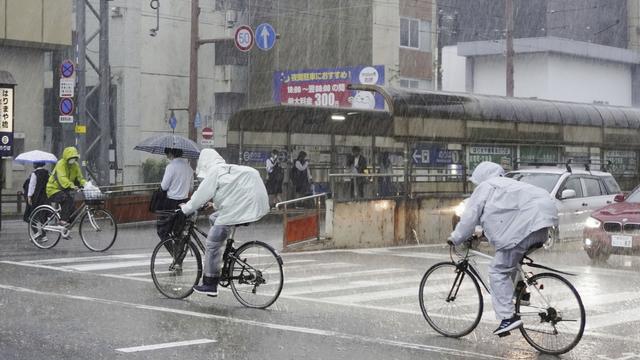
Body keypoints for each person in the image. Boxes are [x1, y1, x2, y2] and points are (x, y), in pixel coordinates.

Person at [448, 161, 558, 336]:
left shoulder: (486, 187)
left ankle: (508, 318)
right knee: (511, 260)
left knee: (497, 271)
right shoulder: (510, 185)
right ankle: (521, 292)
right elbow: (504, 215)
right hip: (542, 226)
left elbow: (469, 218)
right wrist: (482, 233)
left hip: (526, 227)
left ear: (482, 177)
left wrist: (455, 238)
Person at [179, 148, 269, 296]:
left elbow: (199, 195)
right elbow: (232, 193)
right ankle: (226, 252)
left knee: (212, 243)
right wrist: (214, 206)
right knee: (213, 217)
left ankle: (210, 284)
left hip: (240, 208)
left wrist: (185, 210)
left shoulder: (215, 171)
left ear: (204, 163)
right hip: (251, 204)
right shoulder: (226, 170)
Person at [156, 148, 194, 242]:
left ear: (171, 153)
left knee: (162, 231)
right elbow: (191, 188)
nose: (167, 156)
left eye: (167, 154)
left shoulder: (171, 167)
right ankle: (179, 249)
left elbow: (164, 187)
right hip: (184, 203)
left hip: (171, 203)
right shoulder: (189, 168)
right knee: (178, 230)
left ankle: (174, 252)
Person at [46, 146, 87, 226]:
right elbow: (62, 178)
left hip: (64, 189)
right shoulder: (60, 164)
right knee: (66, 199)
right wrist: (72, 185)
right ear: (66, 157)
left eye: (74, 158)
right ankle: (63, 220)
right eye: (70, 158)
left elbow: (80, 178)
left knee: (72, 207)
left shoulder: (75, 165)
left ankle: (67, 227)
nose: (72, 159)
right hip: (53, 189)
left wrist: (86, 184)